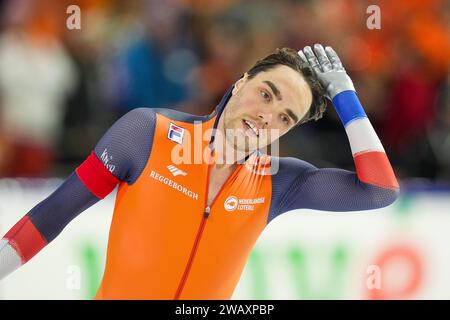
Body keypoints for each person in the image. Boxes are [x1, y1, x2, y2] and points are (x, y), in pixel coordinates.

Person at [0, 45, 399, 299]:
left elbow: (380, 190)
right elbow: (53, 214)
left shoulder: (279, 182)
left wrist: (345, 98)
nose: (266, 117)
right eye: (265, 94)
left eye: (284, 117)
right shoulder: (145, 135)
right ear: (240, 83)